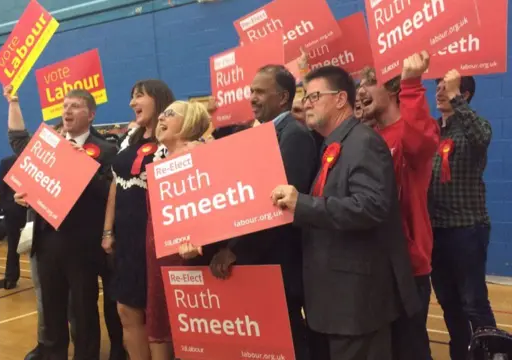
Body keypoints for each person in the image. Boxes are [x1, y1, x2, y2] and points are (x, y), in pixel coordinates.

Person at [271, 65, 419, 360]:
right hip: (334, 300)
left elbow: (372, 206)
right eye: (304, 97)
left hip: (356, 302)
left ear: (340, 99)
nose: (305, 104)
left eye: (314, 97)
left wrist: (303, 204)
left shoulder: (363, 142)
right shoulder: (335, 143)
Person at [208, 64, 320, 359]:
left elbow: (279, 209)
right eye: (251, 91)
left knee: (289, 342)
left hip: (279, 261)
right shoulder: (258, 134)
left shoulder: (293, 136)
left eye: (259, 91)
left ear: (283, 98)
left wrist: (236, 251)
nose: (252, 98)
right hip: (262, 260)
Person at [8, 86, 124, 360]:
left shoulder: (107, 149)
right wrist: (23, 195)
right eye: (64, 106)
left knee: (83, 312)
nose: (67, 111)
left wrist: (81, 163)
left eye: (75, 106)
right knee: (51, 309)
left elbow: (110, 194)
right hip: (47, 240)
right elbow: (26, 164)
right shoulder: (49, 145)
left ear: (91, 114)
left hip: (83, 245)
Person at [357, 51, 440, 360]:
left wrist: (412, 83)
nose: (361, 89)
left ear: (391, 89)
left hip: (407, 266)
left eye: (369, 82)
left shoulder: (412, 131)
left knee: (410, 349)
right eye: (360, 83)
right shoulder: (369, 136)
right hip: (374, 265)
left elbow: (419, 142)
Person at [102, 79, 174, 360]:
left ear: (158, 99)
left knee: (155, 313)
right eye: (132, 97)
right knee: (126, 309)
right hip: (126, 241)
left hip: (155, 240)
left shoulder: (171, 141)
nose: (132, 103)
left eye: (140, 96)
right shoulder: (128, 140)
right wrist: (107, 231)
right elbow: (115, 185)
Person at [429, 69, 496, 360]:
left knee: (474, 304)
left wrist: (458, 101)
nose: (440, 92)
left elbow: (482, 135)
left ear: (464, 94)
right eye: (439, 87)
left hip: (467, 229)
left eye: (449, 88)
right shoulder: (431, 130)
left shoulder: (474, 127)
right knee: (449, 304)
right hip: (437, 231)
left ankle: (492, 354)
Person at [141, 100, 211, 359]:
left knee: (194, 336)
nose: (162, 118)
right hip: (158, 256)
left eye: (170, 114)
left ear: (190, 122)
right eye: (162, 113)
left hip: (189, 260)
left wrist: (201, 240)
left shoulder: (203, 156)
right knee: (160, 326)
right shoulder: (161, 162)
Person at [0, 153, 27, 289]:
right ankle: (11, 277)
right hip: (14, 211)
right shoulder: (7, 162)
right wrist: (8, 206)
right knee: (13, 246)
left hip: (34, 212)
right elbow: (2, 189)